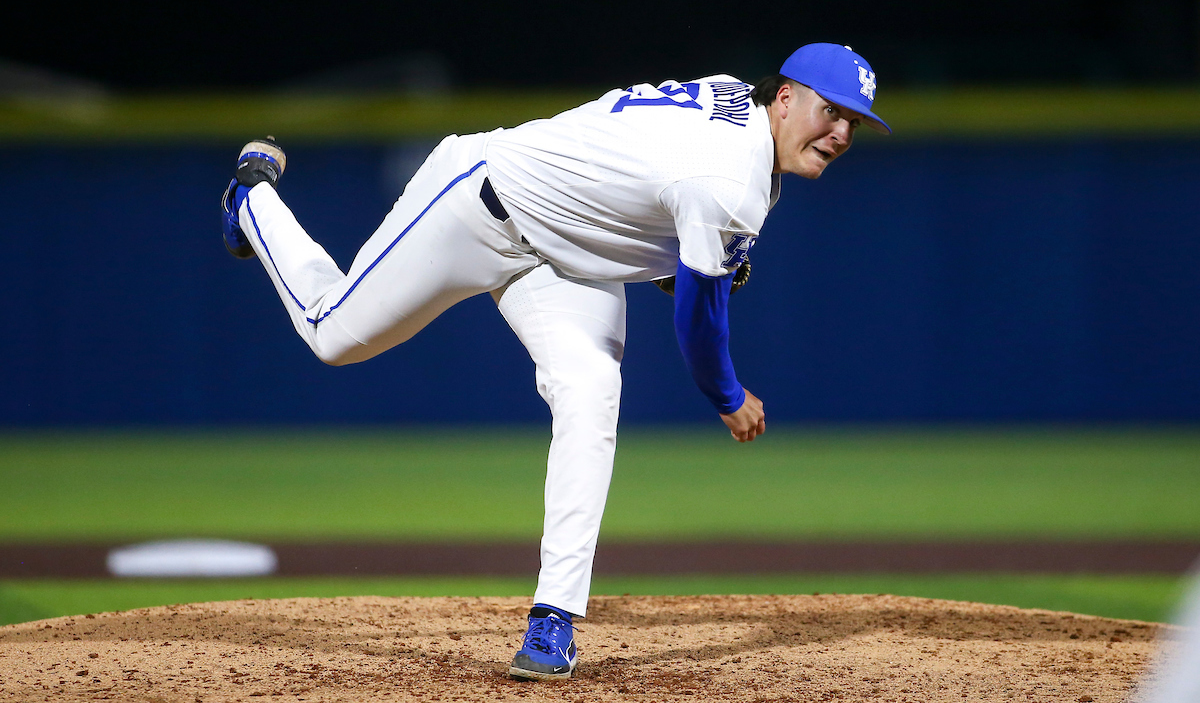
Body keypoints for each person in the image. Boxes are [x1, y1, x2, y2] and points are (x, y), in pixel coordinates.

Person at [220, 42, 890, 681]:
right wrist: (726, 394)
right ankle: (252, 199)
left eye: (853, 123)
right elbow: (697, 317)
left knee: (592, 390)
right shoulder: (732, 177)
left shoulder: (736, 112)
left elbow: (642, 182)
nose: (840, 133)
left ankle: (553, 620)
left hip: (566, 258)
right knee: (332, 335)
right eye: (829, 111)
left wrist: (673, 257)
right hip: (477, 204)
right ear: (785, 98)